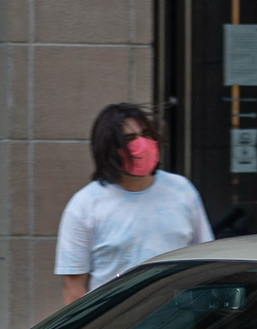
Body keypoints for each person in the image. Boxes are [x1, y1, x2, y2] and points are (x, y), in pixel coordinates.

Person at [54, 103, 213, 307]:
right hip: (113, 328)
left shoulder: (181, 190)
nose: (142, 143)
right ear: (109, 149)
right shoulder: (84, 205)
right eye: (129, 139)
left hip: (179, 325)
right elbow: (73, 289)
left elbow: (205, 259)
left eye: (146, 134)